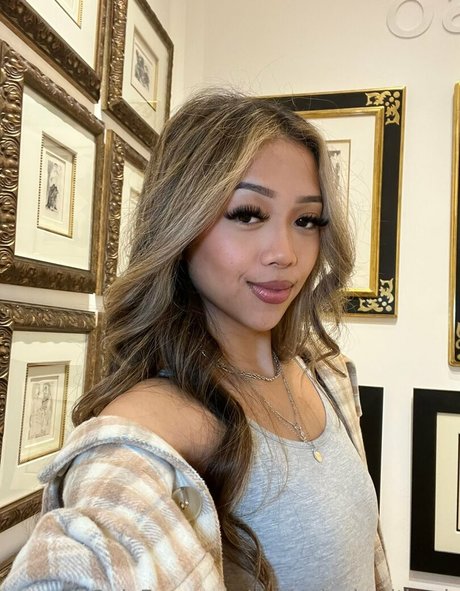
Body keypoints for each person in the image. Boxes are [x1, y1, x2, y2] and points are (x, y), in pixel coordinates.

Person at [2, 90, 391, 590]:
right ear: (180, 223)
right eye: (248, 214)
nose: (285, 253)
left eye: (306, 220)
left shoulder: (325, 373)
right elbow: (90, 553)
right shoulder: (149, 432)